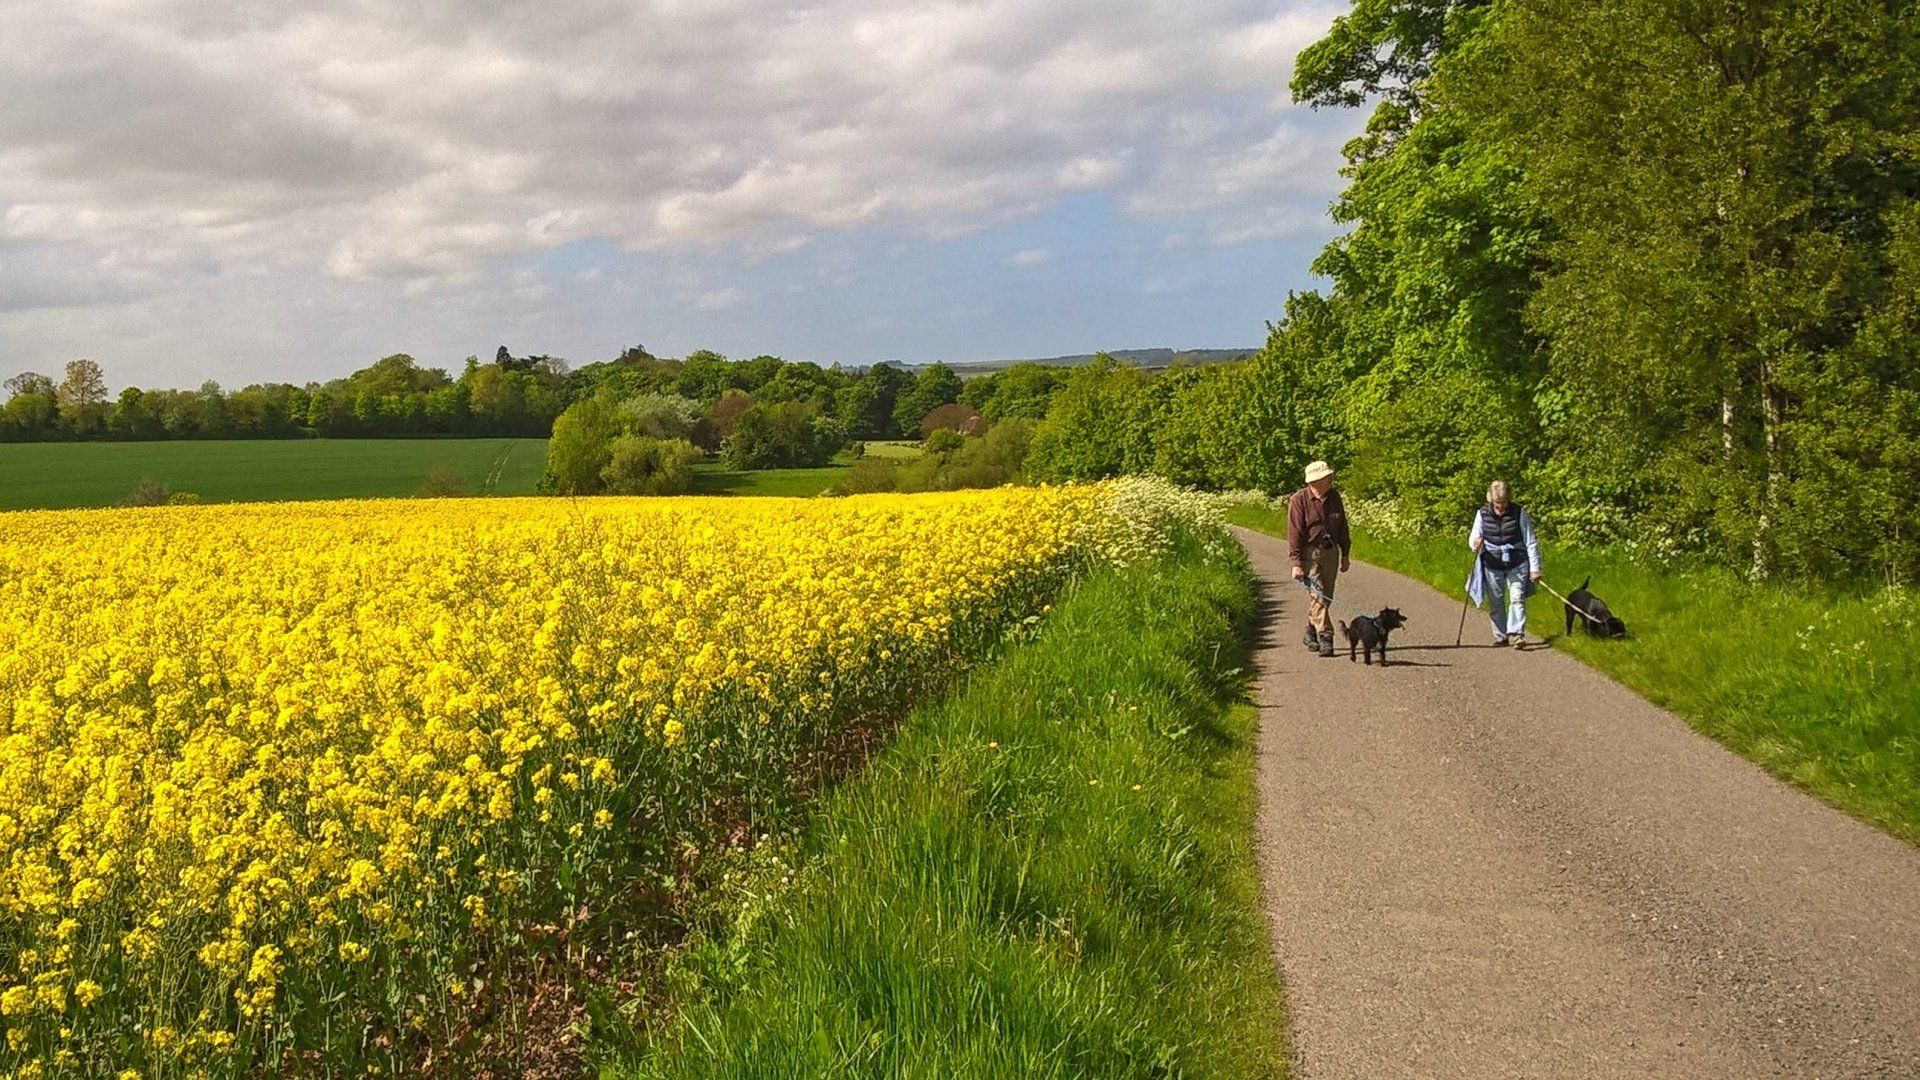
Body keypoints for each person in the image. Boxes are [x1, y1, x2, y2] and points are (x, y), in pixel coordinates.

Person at [1467, 479, 1542, 647]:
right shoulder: (1482, 513)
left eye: (1504, 502)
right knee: (1496, 601)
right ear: (1490, 499)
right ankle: (1501, 636)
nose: (1501, 506)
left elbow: (1530, 541)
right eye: (1497, 502)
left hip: (1517, 561)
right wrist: (1475, 543)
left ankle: (1517, 634)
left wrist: (1535, 568)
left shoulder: (1519, 512)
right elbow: (1473, 538)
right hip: (1492, 563)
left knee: (1517, 598)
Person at [1287, 460, 1350, 657]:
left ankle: (1310, 630)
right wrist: (1296, 563)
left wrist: (1346, 554)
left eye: (1329, 476)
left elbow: (1342, 526)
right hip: (1309, 554)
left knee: (1326, 596)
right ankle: (1326, 636)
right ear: (1315, 481)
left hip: (1331, 552)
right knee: (1318, 594)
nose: (1330, 480)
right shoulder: (1299, 500)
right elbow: (1294, 532)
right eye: (1326, 477)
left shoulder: (1334, 497)